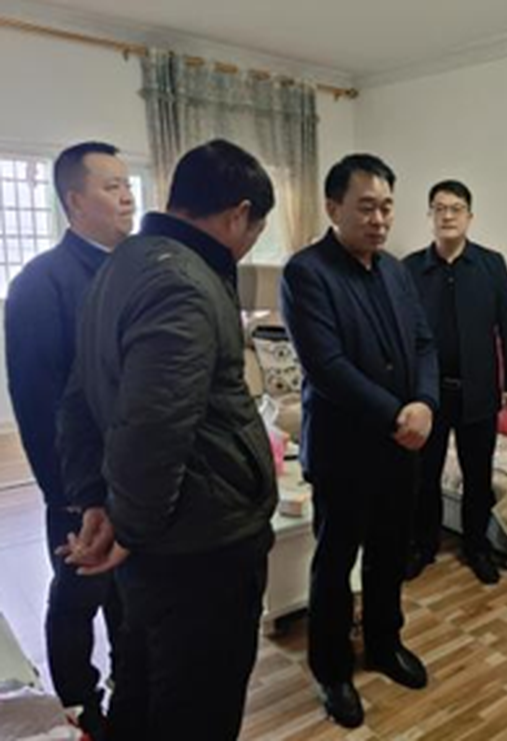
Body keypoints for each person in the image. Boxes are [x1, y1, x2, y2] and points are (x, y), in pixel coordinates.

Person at [56, 139, 278, 741]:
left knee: (142, 687)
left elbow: (78, 398)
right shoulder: (185, 282)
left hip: (157, 541)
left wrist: (98, 501)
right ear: (238, 214)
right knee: (196, 711)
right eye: (255, 231)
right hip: (201, 548)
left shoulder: (120, 264)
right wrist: (128, 526)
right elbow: (154, 427)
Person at [281, 154, 438, 729]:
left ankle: (384, 643)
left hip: (401, 448)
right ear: (333, 207)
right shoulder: (306, 272)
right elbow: (327, 367)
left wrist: (425, 403)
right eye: (366, 207)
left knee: (390, 554)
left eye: (387, 207)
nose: (379, 219)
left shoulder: (395, 270)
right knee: (335, 563)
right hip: (345, 452)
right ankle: (331, 668)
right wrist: (399, 414)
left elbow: (423, 343)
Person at [4, 141, 133, 738]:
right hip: (80, 485)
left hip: (136, 474)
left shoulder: (134, 270)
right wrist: (73, 498)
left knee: (131, 596)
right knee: (79, 593)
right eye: (111, 186)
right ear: (75, 201)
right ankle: (82, 704)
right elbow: (37, 406)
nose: (127, 196)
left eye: (127, 183)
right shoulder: (41, 284)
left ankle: (133, 687)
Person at [403, 180, 507, 584]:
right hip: (428, 393)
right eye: (439, 208)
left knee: (477, 474)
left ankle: (477, 547)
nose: (448, 215)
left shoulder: (492, 265)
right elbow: (401, 331)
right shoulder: (410, 269)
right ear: (430, 216)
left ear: (469, 216)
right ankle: (423, 545)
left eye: (456, 208)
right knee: (424, 474)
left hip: (479, 391)